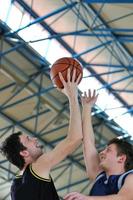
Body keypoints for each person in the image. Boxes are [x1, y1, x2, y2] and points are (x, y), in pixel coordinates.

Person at [0, 68, 83, 200]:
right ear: (24, 153)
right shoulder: (36, 168)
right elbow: (75, 138)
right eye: (28, 140)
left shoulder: (15, 186)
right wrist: (72, 95)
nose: (34, 139)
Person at [64, 89, 133, 200]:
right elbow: (88, 142)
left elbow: (124, 198)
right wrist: (87, 108)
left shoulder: (130, 177)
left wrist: (86, 199)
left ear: (121, 158)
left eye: (108, 150)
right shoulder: (100, 177)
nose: (101, 152)